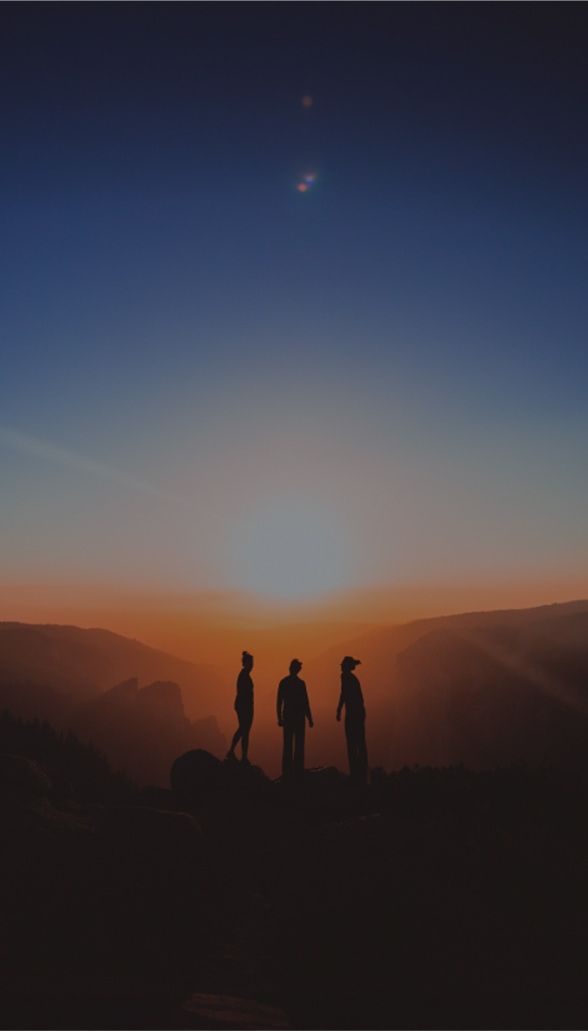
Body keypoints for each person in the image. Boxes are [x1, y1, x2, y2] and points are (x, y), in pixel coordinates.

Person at [277, 658, 313, 779]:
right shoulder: (301, 684)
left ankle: (287, 771)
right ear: (298, 669)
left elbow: (279, 702)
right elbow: (305, 702)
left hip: (288, 717)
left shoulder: (283, 682)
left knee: (287, 744)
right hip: (299, 718)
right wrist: (310, 718)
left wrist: (279, 717)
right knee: (299, 744)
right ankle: (298, 770)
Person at [337, 656, 368, 785]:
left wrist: (339, 710)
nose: (340, 667)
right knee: (359, 742)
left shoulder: (346, 677)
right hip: (358, 713)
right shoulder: (352, 678)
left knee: (352, 743)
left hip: (353, 714)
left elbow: (343, 694)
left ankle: (356, 774)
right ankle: (361, 772)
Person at [226, 651, 254, 763]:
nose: (252, 665)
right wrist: (246, 707)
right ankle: (238, 754)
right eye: (250, 662)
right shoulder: (244, 676)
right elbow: (243, 693)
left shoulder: (245, 675)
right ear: (245, 663)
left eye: (252, 662)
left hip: (244, 706)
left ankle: (240, 754)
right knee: (244, 730)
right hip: (244, 706)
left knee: (244, 730)